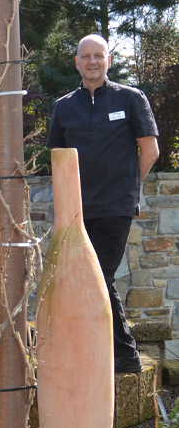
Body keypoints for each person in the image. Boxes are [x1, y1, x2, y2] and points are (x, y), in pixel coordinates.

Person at [46, 34, 159, 373]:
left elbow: (150, 150)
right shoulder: (64, 106)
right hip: (76, 210)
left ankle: (125, 354)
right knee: (87, 279)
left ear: (108, 60)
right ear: (77, 62)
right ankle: (107, 350)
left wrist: (127, 188)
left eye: (99, 56)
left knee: (99, 276)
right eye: (86, 57)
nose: (92, 62)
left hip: (115, 208)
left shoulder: (130, 99)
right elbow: (56, 157)